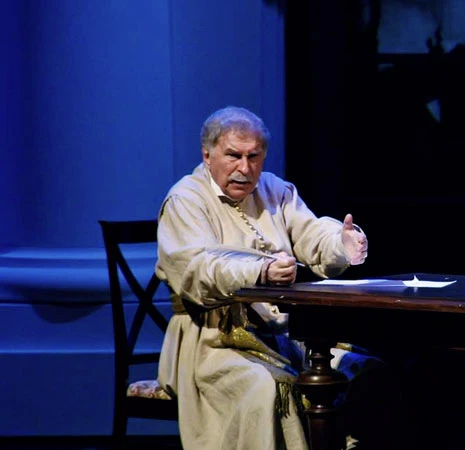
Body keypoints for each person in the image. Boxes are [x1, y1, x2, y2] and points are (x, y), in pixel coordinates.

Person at [155, 106, 381, 450]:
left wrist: (341, 243)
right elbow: (196, 270)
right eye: (234, 156)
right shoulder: (185, 199)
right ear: (207, 155)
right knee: (273, 389)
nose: (245, 168)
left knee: (367, 373)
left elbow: (313, 234)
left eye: (254, 156)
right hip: (213, 342)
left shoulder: (275, 190)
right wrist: (259, 271)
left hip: (287, 338)